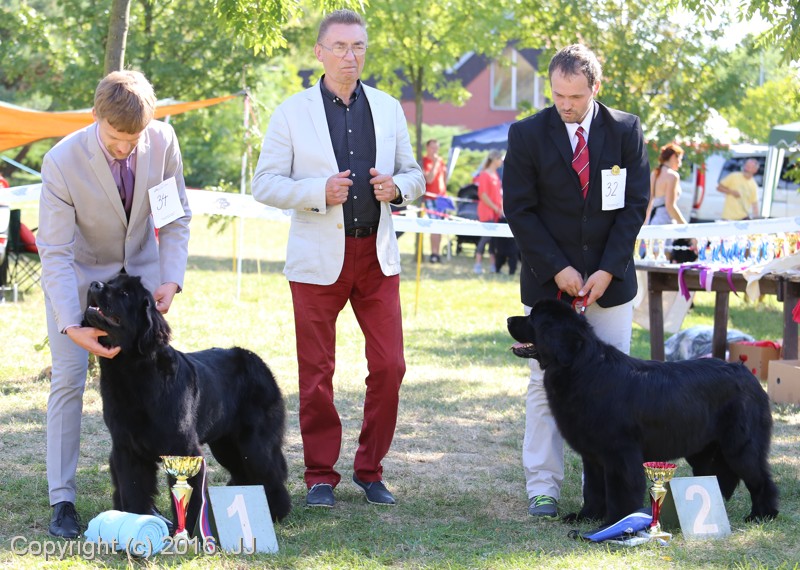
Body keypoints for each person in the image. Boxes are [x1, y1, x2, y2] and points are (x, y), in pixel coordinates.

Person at [251, 9, 425, 509]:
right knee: (316, 373)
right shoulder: (291, 112)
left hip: (376, 255)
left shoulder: (389, 108)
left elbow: (414, 174)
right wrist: (316, 191)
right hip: (317, 258)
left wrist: (398, 188)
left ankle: (370, 470)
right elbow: (264, 184)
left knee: (390, 366)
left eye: (359, 47)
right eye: (341, 47)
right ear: (320, 53)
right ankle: (320, 476)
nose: (351, 56)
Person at [37, 70, 192, 538]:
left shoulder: (163, 141)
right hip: (79, 284)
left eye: (134, 139)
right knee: (69, 381)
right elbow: (55, 252)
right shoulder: (61, 161)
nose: (125, 147)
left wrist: (171, 278)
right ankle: (62, 500)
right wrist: (71, 324)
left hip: (139, 283)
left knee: (157, 383)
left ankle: (165, 499)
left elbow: (174, 218)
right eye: (114, 138)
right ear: (95, 116)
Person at [502, 44, 650, 518]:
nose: (566, 104)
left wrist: (607, 269)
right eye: (558, 95)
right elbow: (519, 210)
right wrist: (557, 269)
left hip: (612, 283)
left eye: (576, 96)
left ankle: (601, 490)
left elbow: (634, 205)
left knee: (614, 387)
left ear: (595, 88)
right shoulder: (526, 134)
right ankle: (542, 486)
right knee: (543, 384)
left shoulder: (626, 130)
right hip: (549, 287)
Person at [473, 150, 504, 274]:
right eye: (500, 159)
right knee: (486, 237)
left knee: (493, 239)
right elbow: (483, 194)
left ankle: (493, 265)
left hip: (495, 211)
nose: (501, 161)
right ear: (494, 160)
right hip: (486, 211)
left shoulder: (495, 174)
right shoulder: (484, 174)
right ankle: (477, 264)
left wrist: (500, 208)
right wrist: (495, 207)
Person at [645, 142, 687, 226]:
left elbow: (649, 201)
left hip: (652, 221)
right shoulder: (672, 176)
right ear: (673, 157)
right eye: (680, 159)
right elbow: (670, 206)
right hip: (665, 222)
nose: (680, 164)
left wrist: (645, 223)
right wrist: (685, 226)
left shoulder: (654, 173)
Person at [422, 139, 448, 262]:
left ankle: (437, 253)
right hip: (431, 197)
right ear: (427, 148)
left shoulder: (441, 161)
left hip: (442, 197)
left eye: (436, 148)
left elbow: (444, 178)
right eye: (433, 148)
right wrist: (435, 164)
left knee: (441, 226)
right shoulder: (424, 161)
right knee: (434, 225)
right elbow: (429, 179)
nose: (435, 151)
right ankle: (433, 253)